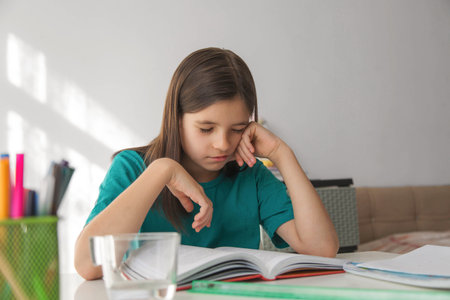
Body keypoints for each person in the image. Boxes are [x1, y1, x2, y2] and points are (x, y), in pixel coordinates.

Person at [74, 47, 339, 280]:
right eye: (206, 128)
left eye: (237, 129)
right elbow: (88, 266)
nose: (223, 144)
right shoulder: (133, 168)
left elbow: (322, 249)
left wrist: (281, 152)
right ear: (176, 118)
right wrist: (162, 170)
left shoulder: (251, 175)